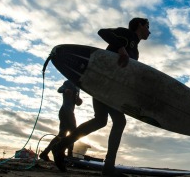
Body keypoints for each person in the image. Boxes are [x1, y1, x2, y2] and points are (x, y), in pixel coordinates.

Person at [52, 17, 150, 176]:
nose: (149, 30)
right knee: (119, 121)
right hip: (103, 84)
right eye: (147, 26)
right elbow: (102, 32)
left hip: (105, 86)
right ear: (139, 25)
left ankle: (61, 146)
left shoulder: (136, 50)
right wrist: (121, 48)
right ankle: (109, 167)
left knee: (100, 120)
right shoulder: (126, 35)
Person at [39, 80, 82, 161]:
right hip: (65, 111)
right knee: (74, 133)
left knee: (62, 135)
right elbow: (59, 89)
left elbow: (77, 102)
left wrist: (79, 100)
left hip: (70, 112)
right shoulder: (68, 82)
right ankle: (69, 155)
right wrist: (65, 90)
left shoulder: (78, 86)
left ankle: (45, 153)